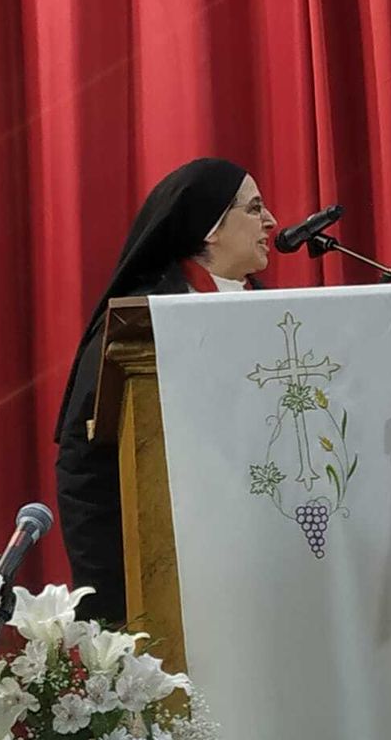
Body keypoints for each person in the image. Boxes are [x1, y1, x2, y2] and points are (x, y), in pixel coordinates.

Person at [55, 158, 277, 623]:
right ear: (211, 228)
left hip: (268, 564)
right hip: (170, 575)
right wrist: (108, 603)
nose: (272, 221)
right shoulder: (142, 323)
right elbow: (85, 467)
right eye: (255, 208)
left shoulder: (276, 312)